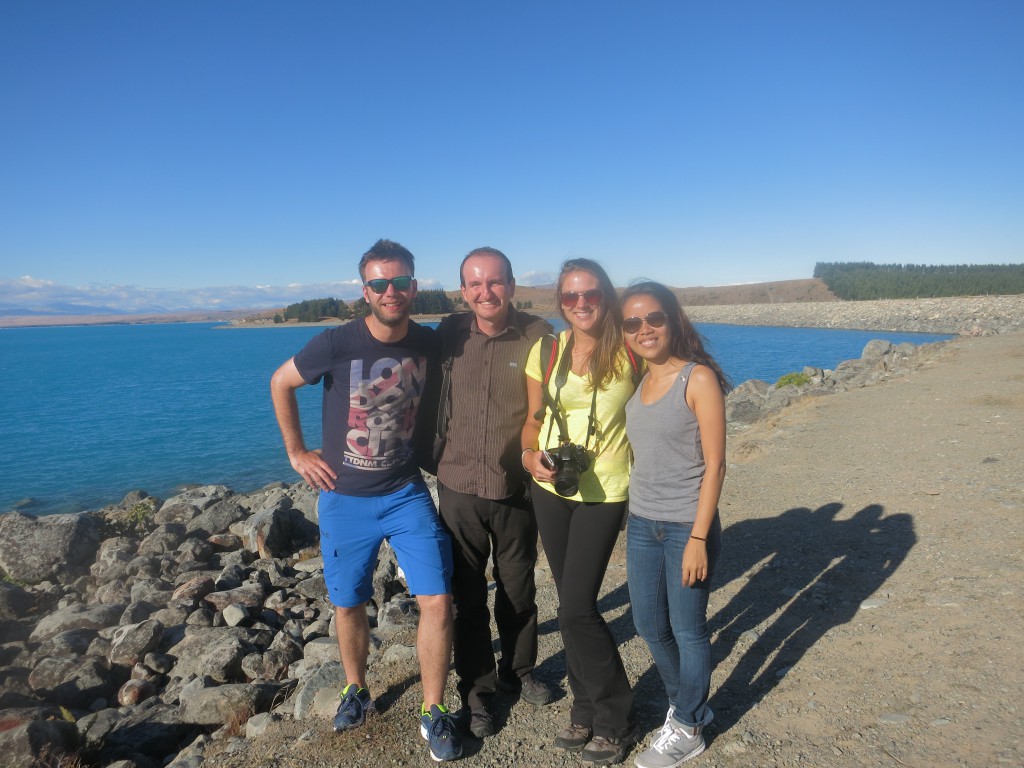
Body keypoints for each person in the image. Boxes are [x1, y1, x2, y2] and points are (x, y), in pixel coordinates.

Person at [269, 239, 462, 763]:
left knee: (437, 600)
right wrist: (296, 453)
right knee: (348, 602)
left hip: (405, 494)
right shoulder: (335, 343)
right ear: (365, 291)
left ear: (414, 287)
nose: (391, 291)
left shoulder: (427, 342)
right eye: (380, 283)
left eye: (400, 282)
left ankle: (433, 708)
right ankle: (356, 688)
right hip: (342, 498)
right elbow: (280, 383)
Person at [434, 247, 555, 738]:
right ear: (463, 291)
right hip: (458, 485)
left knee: (518, 589)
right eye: (476, 284)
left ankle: (519, 670)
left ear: (511, 284)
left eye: (496, 282)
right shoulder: (446, 334)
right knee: (467, 597)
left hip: (515, 487)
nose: (487, 292)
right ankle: (478, 691)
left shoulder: (538, 336)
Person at [520, 258, 637, 766]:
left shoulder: (633, 347)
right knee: (569, 602)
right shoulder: (547, 350)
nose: (581, 304)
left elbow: (675, 392)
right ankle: (585, 706)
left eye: (590, 293)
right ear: (560, 303)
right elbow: (531, 420)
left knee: (577, 606)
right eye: (570, 297)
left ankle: (616, 715)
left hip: (605, 490)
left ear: (606, 295)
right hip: (552, 488)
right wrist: (529, 457)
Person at [620, 281, 730, 768]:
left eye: (654, 318)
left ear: (673, 320)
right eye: (632, 323)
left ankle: (688, 726)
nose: (644, 329)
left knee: (688, 630)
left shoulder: (697, 379)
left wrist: (700, 538)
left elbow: (716, 465)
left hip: (687, 524)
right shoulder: (640, 380)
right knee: (647, 624)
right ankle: (684, 706)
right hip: (642, 521)